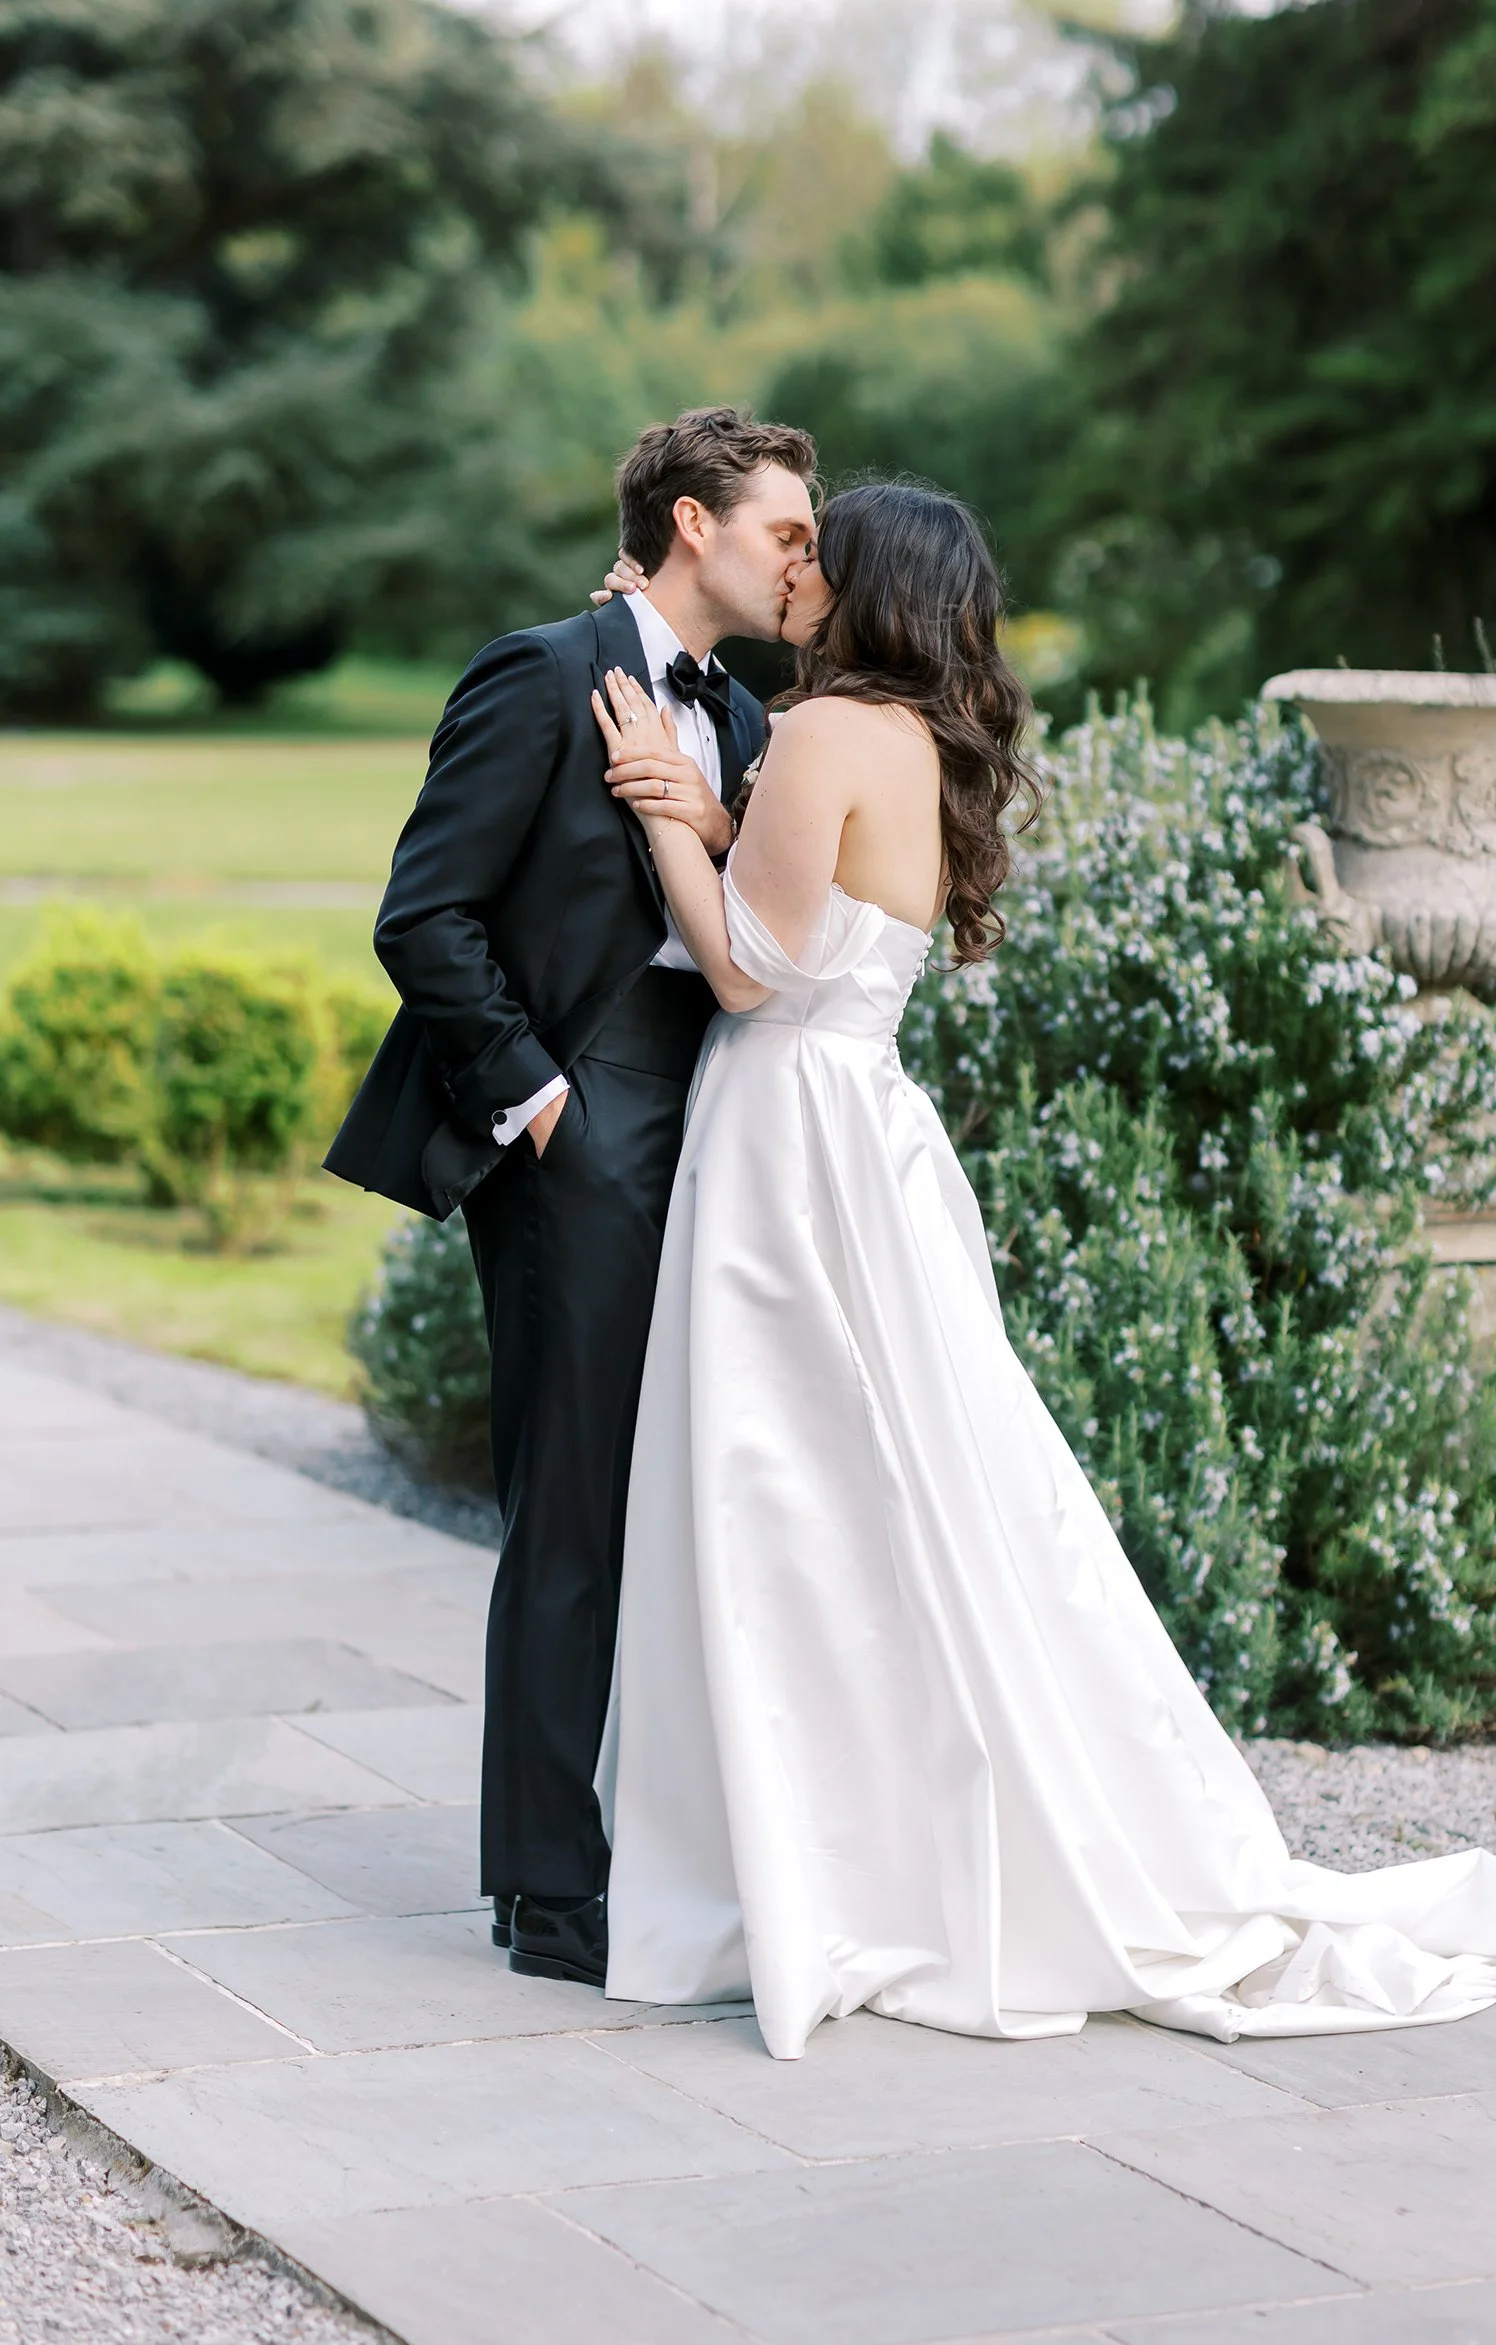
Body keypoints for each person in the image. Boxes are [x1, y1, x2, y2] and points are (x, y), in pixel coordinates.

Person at [585, 482, 1496, 2060]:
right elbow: (821, 910)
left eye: (818, 552)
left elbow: (749, 973)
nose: (799, 566)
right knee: (901, 1485)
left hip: (786, 1142)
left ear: (866, 586)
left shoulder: (824, 732)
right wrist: (715, 823)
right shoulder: (908, 744)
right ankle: (883, 1834)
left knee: (793, 1489)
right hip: (870, 1137)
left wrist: (654, 811)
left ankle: (807, 1854)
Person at [325, 407, 817, 1987]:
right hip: (582, 1116)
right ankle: (550, 1890)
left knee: (698, 1492)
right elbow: (425, 914)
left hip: (725, 1117)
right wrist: (540, 1103)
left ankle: (666, 1841)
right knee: (578, 1504)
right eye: (783, 530)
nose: (802, 556)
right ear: (690, 523)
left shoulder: (745, 716)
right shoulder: (535, 671)